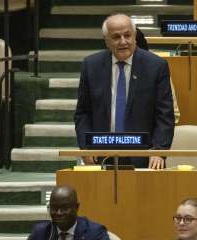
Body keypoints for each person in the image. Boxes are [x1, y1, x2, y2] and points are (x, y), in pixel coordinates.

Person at [74, 14, 175, 169]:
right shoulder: (91, 66)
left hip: (144, 156)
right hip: (101, 154)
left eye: (127, 35)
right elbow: (83, 113)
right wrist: (86, 147)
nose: (123, 41)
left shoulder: (156, 66)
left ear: (134, 36)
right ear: (106, 40)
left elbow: (164, 115)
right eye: (116, 37)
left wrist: (159, 150)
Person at [28, 186, 110, 240]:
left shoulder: (95, 233)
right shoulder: (40, 232)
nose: (58, 213)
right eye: (54, 208)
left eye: (64, 208)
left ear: (77, 207)